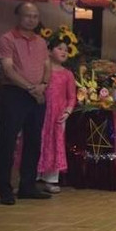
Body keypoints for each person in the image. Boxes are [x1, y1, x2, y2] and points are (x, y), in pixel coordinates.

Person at [0, 2, 51, 204]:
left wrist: (43, 85)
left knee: (34, 141)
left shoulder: (41, 41)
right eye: (27, 15)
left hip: (38, 95)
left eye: (35, 16)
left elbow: (47, 66)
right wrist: (30, 88)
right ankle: (5, 190)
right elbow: (8, 70)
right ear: (18, 16)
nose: (31, 20)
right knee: (8, 143)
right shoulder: (7, 39)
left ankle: (27, 186)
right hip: (14, 94)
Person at [36, 36, 76, 194]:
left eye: (66, 50)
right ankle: (30, 176)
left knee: (55, 144)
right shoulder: (41, 70)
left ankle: (50, 179)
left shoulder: (67, 74)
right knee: (36, 142)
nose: (64, 52)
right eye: (59, 48)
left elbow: (72, 96)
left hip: (58, 115)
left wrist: (67, 111)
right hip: (40, 111)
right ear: (49, 51)